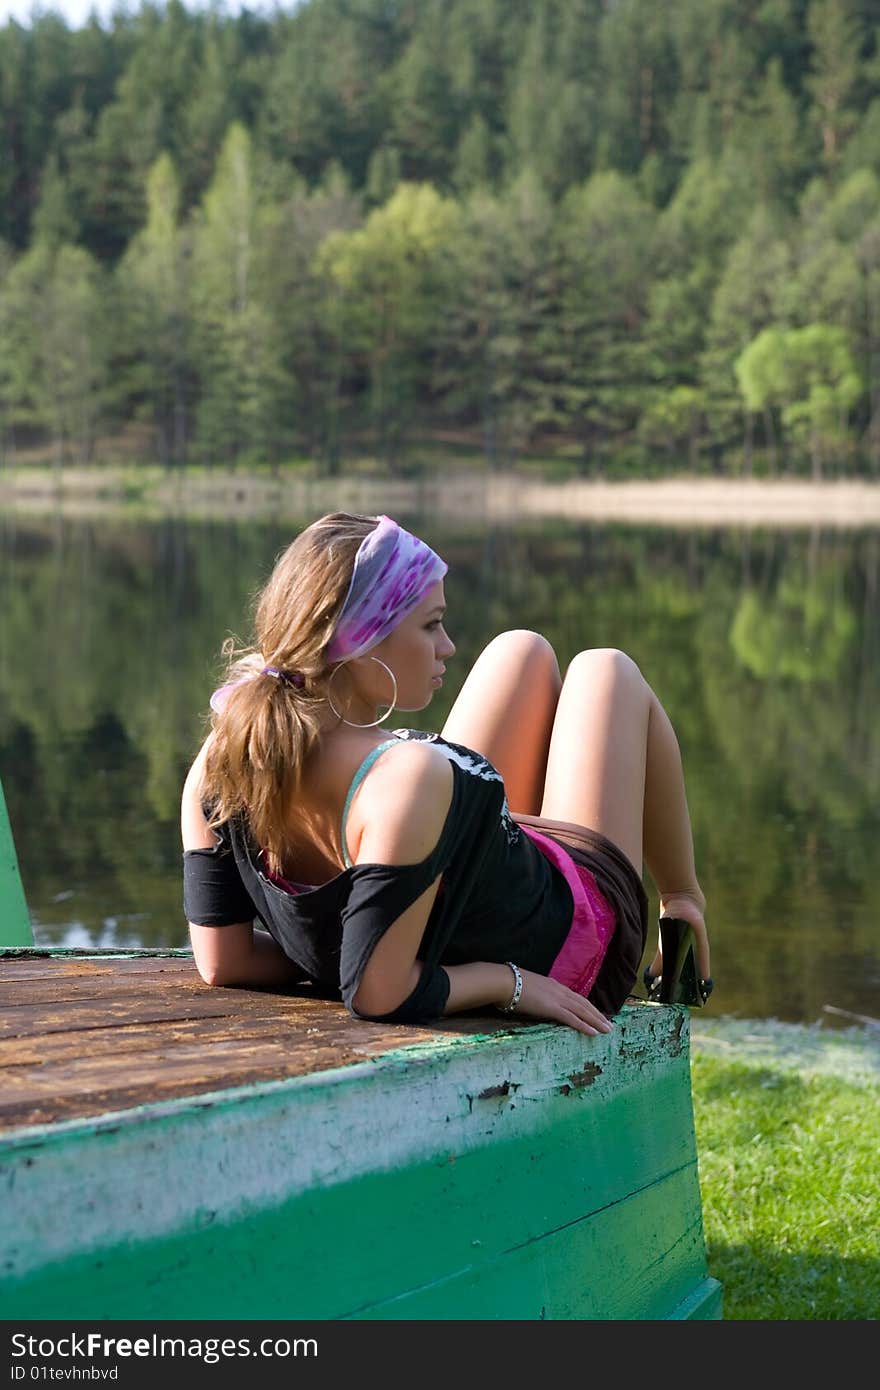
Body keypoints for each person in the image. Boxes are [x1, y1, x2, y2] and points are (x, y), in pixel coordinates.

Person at [181, 511, 711, 1036]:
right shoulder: (400, 780)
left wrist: (344, 952)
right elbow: (376, 993)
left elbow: (224, 960)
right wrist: (507, 983)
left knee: (519, 648)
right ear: (364, 640)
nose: (448, 646)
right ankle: (683, 898)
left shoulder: (222, 760)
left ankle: (681, 897)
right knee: (605, 669)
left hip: (487, 872)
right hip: (574, 936)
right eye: (431, 624)